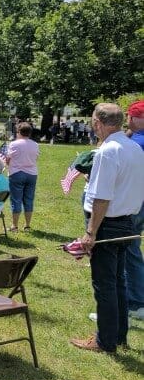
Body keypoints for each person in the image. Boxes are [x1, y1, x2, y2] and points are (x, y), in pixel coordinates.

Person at [70, 103, 144, 353]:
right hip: (127, 222)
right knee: (119, 282)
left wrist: (90, 232)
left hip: (110, 224)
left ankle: (105, 340)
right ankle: (118, 336)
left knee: (105, 285)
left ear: (97, 123)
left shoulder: (108, 151)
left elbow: (101, 197)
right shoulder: (134, 147)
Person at [124, 101, 144, 321]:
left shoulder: (136, 143)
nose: (128, 121)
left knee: (125, 251)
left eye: (131, 116)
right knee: (132, 249)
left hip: (133, 203)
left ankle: (134, 302)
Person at [6, 122, 39, 231]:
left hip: (16, 173)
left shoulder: (14, 144)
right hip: (32, 174)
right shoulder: (35, 144)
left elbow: (8, 159)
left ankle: (14, 226)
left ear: (19, 132)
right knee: (29, 200)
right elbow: (36, 158)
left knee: (16, 200)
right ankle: (27, 225)